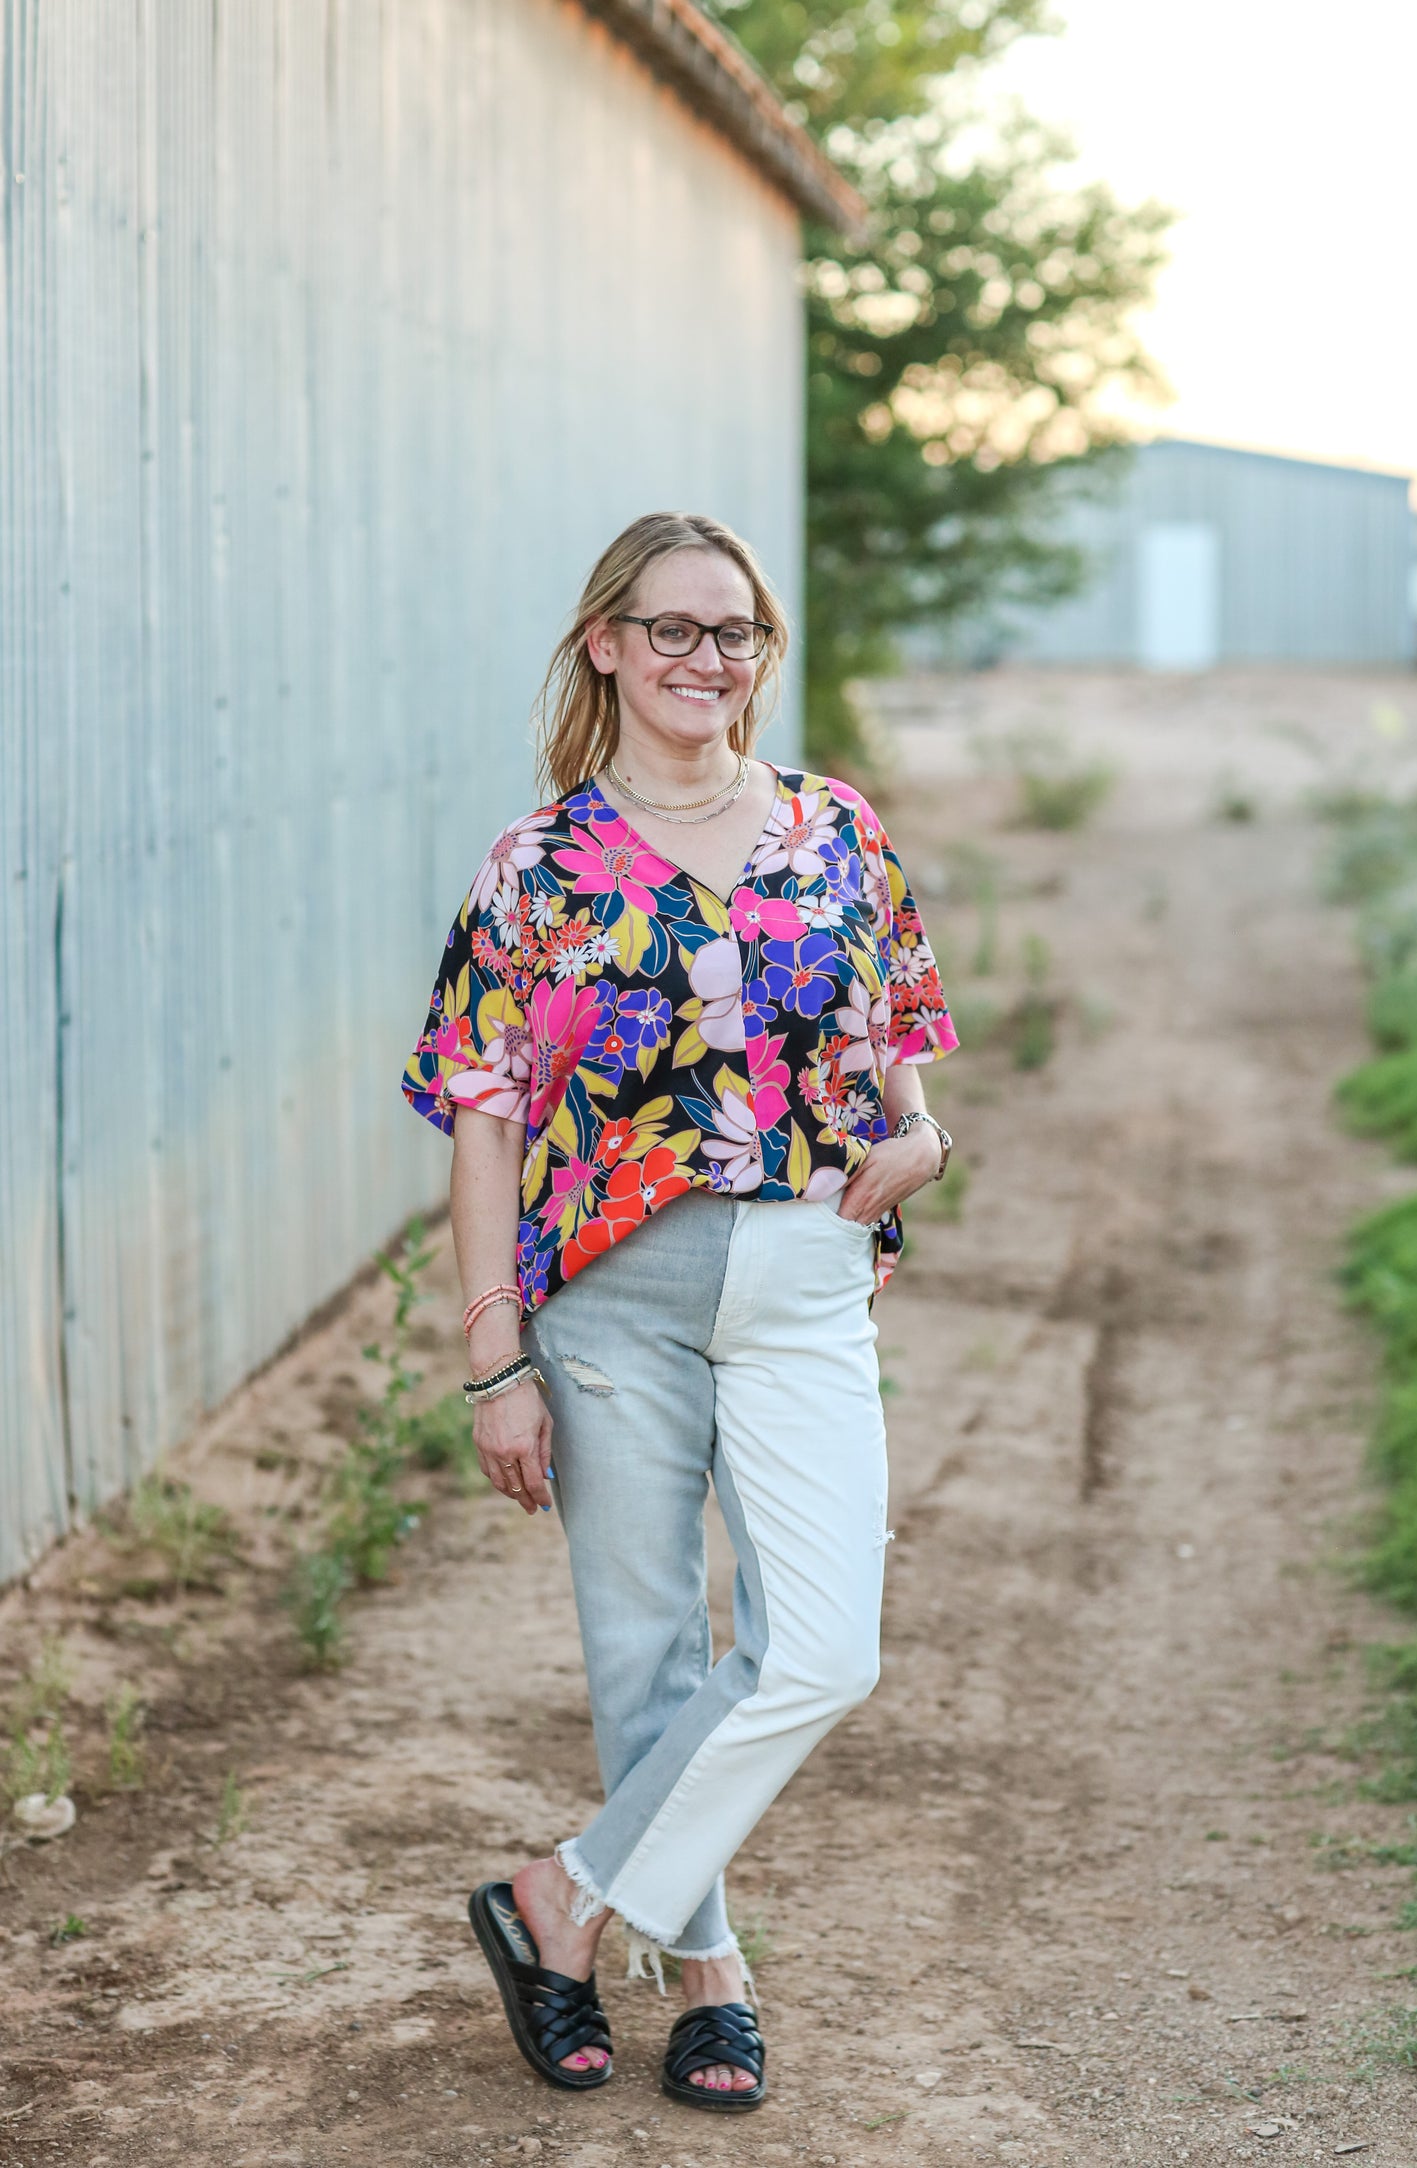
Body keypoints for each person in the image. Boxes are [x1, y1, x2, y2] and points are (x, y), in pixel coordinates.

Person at [401, 511, 958, 2110]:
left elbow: (897, 1066)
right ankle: (707, 1969)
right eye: (672, 630)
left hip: (799, 1277)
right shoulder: (539, 864)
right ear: (607, 645)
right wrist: (492, 1356)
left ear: (759, 654)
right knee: (647, 1653)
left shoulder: (834, 829)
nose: (704, 660)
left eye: (733, 634)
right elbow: (484, 1117)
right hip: (607, 1299)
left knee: (819, 1648)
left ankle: (558, 1903)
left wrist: (914, 1145)